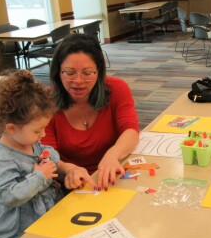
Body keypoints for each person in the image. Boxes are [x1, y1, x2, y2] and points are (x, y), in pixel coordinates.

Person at [0, 70, 72, 238]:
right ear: (11, 128)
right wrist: (39, 176)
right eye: (38, 131)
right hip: (12, 232)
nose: (42, 135)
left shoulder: (27, 140)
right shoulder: (3, 157)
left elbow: (43, 150)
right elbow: (7, 196)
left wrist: (47, 158)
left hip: (39, 215)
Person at [42, 33, 140, 191]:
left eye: (87, 73)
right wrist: (68, 169)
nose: (78, 81)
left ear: (99, 71)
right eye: (69, 72)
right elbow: (46, 153)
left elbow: (131, 131)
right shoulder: (46, 102)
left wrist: (113, 154)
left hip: (112, 175)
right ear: (58, 72)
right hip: (71, 185)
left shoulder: (117, 89)